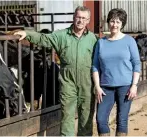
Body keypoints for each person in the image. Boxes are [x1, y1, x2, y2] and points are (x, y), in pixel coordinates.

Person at [14, 6, 97, 136]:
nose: (80, 20)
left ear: (88, 20)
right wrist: (28, 34)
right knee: (67, 117)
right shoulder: (61, 35)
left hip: (87, 82)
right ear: (73, 18)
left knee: (86, 117)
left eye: (83, 18)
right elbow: (44, 38)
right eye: (78, 17)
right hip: (68, 82)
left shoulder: (93, 39)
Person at [92, 8, 141, 136]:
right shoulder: (101, 43)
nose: (114, 24)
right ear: (109, 22)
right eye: (112, 21)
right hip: (105, 87)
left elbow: (136, 63)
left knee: (122, 120)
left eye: (118, 22)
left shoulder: (129, 41)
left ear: (122, 24)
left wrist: (134, 85)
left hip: (125, 86)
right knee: (101, 119)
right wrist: (97, 86)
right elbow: (95, 66)